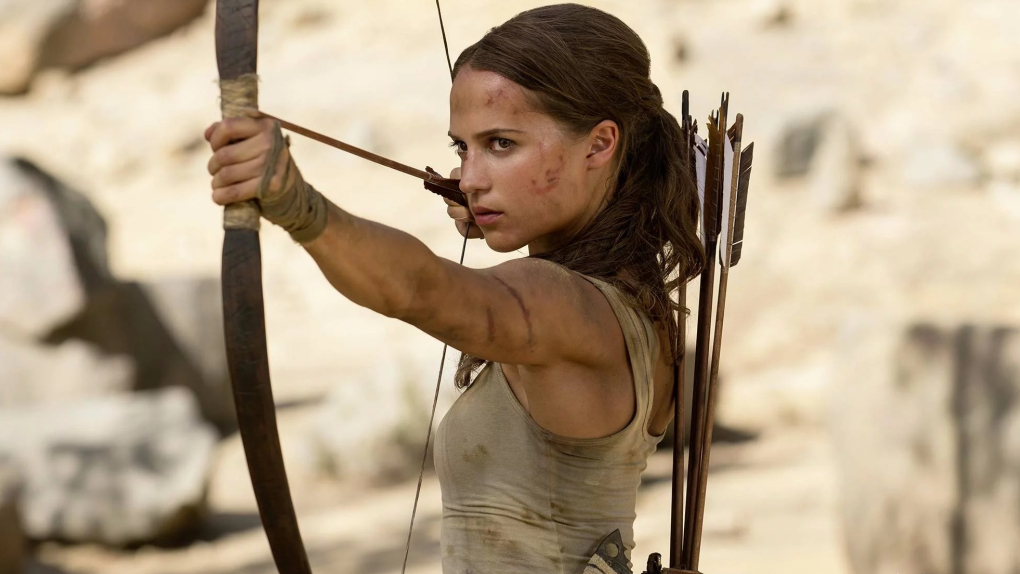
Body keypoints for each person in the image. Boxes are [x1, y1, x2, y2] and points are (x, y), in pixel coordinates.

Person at [204, 4, 704, 573]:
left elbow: (423, 289)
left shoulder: (565, 307)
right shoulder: (632, 305)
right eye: (462, 148)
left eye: (501, 144)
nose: (469, 179)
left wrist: (297, 204)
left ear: (599, 144)